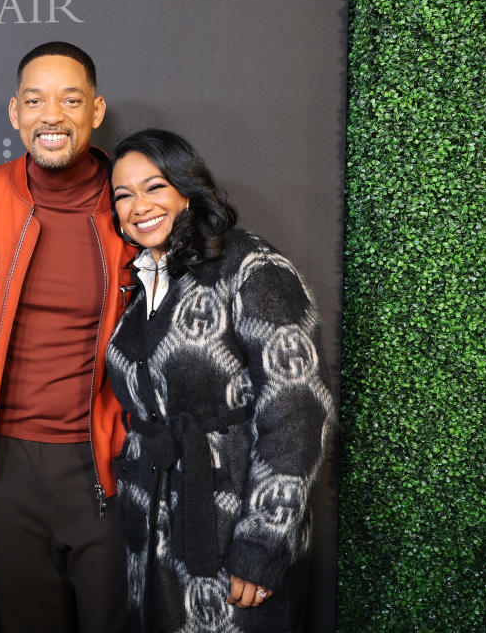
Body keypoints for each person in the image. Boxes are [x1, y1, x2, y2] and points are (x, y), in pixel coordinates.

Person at [105, 128, 336, 632]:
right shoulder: (146, 281)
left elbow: (298, 411)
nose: (137, 205)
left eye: (154, 186)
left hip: (230, 529)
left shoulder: (250, 266)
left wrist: (261, 546)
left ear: (187, 189)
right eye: (123, 195)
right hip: (152, 536)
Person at [0, 42, 135, 632]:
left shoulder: (132, 207)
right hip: (4, 465)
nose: (52, 115)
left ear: (96, 111)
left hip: (105, 461)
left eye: (70, 99)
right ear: (14, 113)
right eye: (36, 100)